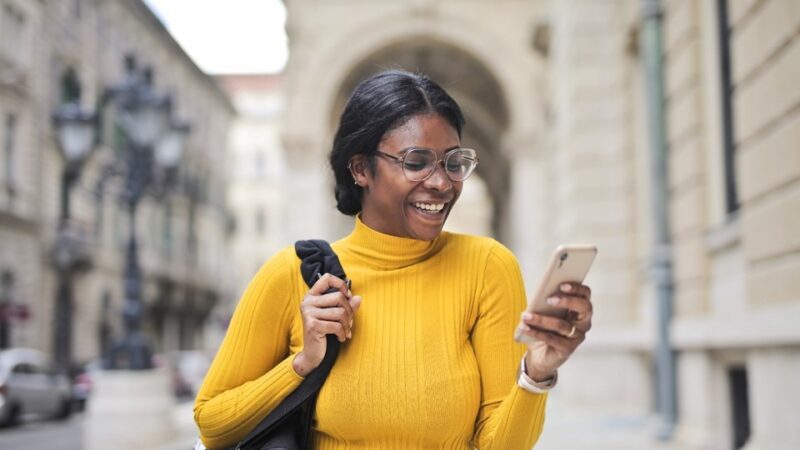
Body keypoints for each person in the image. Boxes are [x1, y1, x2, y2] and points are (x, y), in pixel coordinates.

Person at [194, 70, 593, 449]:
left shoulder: (488, 267)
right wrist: (302, 364)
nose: (441, 183)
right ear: (360, 168)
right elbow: (212, 425)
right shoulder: (292, 274)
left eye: (453, 163)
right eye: (416, 162)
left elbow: (500, 444)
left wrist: (535, 374)